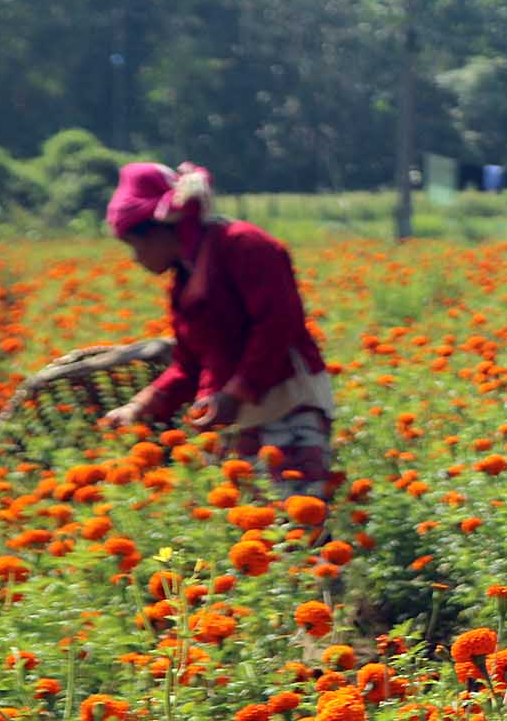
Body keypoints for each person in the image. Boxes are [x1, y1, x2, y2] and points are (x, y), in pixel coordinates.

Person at [99, 162, 338, 501]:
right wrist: (139, 406)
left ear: (160, 230)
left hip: (287, 401)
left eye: (135, 245)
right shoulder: (183, 280)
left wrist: (235, 393)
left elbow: (277, 325)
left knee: (297, 522)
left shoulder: (244, 245)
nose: (135, 259)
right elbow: (188, 364)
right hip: (239, 413)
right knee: (250, 526)